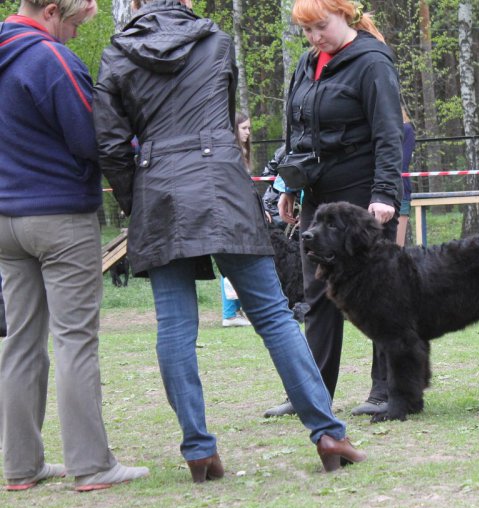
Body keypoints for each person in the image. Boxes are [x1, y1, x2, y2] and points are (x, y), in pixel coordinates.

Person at [93, 0, 366, 480]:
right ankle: (327, 433)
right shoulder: (215, 42)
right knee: (274, 316)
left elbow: (111, 145)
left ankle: (198, 449)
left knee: (175, 326)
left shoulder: (118, 53)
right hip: (220, 181)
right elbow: (219, 119)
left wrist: (140, 201)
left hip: (159, 187)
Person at [0, 0, 149, 491]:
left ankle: (21, 466)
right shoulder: (51, 59)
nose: (73, 34)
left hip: (5, 220)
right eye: (73, 23)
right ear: (50, 10)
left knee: (21, 342)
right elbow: (93, 137)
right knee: (75, 339)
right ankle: (91, 465)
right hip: (59, 218)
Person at [265, 0, 403, 418]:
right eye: (307, 30)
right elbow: (297, 135)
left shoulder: (372, 61)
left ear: (344, 14)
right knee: (317, 294)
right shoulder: (307, 64)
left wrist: (385, 194)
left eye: (320, 26)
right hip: (317, 196)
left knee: (379, 292)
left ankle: (387, 390)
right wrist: (288, 186)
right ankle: (312, 392)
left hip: (363, 195)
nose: (314, 37)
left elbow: (389, 133)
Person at [219, 111, 254, 328]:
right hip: (230, 215)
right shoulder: (228, 154)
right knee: (229, 265)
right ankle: (230, 314)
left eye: (249, 128)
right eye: (244, 128)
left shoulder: (243, 152)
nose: (248, 133)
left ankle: (237, 310)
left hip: (242, 214)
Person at [396, 107, 416, 247]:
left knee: (397, 246)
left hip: (400, 189)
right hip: (375, 192)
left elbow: (403, 162)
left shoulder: (407, 129)